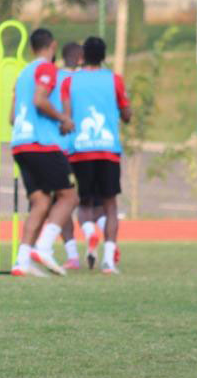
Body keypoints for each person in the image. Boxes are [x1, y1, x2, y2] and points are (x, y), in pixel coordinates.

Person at [8, 28, 79, 277]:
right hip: (41, 143)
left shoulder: (22, 74)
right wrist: (63, 119)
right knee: (69, 197)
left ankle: (22, 261)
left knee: (41, 202)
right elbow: (39, 100)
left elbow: (12, 117)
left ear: (31, 48)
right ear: (53, 45)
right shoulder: (47, 68)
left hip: (20, 143)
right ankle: (44, 247)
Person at [61, 37, 131, 273]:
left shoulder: (70, 81)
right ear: (104, 56)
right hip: (108, 149)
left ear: (83, 56)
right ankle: (109, 261)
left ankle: (90, 231)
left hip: (80, 149)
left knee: (84, 202)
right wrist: (123, 110)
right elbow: (127, 114)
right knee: (110, 204)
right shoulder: (114, 79)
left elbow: (67, 117)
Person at [58, 41, 84, 269]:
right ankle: (92, 236)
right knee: (91, 200)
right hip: (86, 148)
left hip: (58, 148)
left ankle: (72, 254)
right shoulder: (85, 80)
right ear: (80, 58)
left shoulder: (53, 77)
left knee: (62, 201)